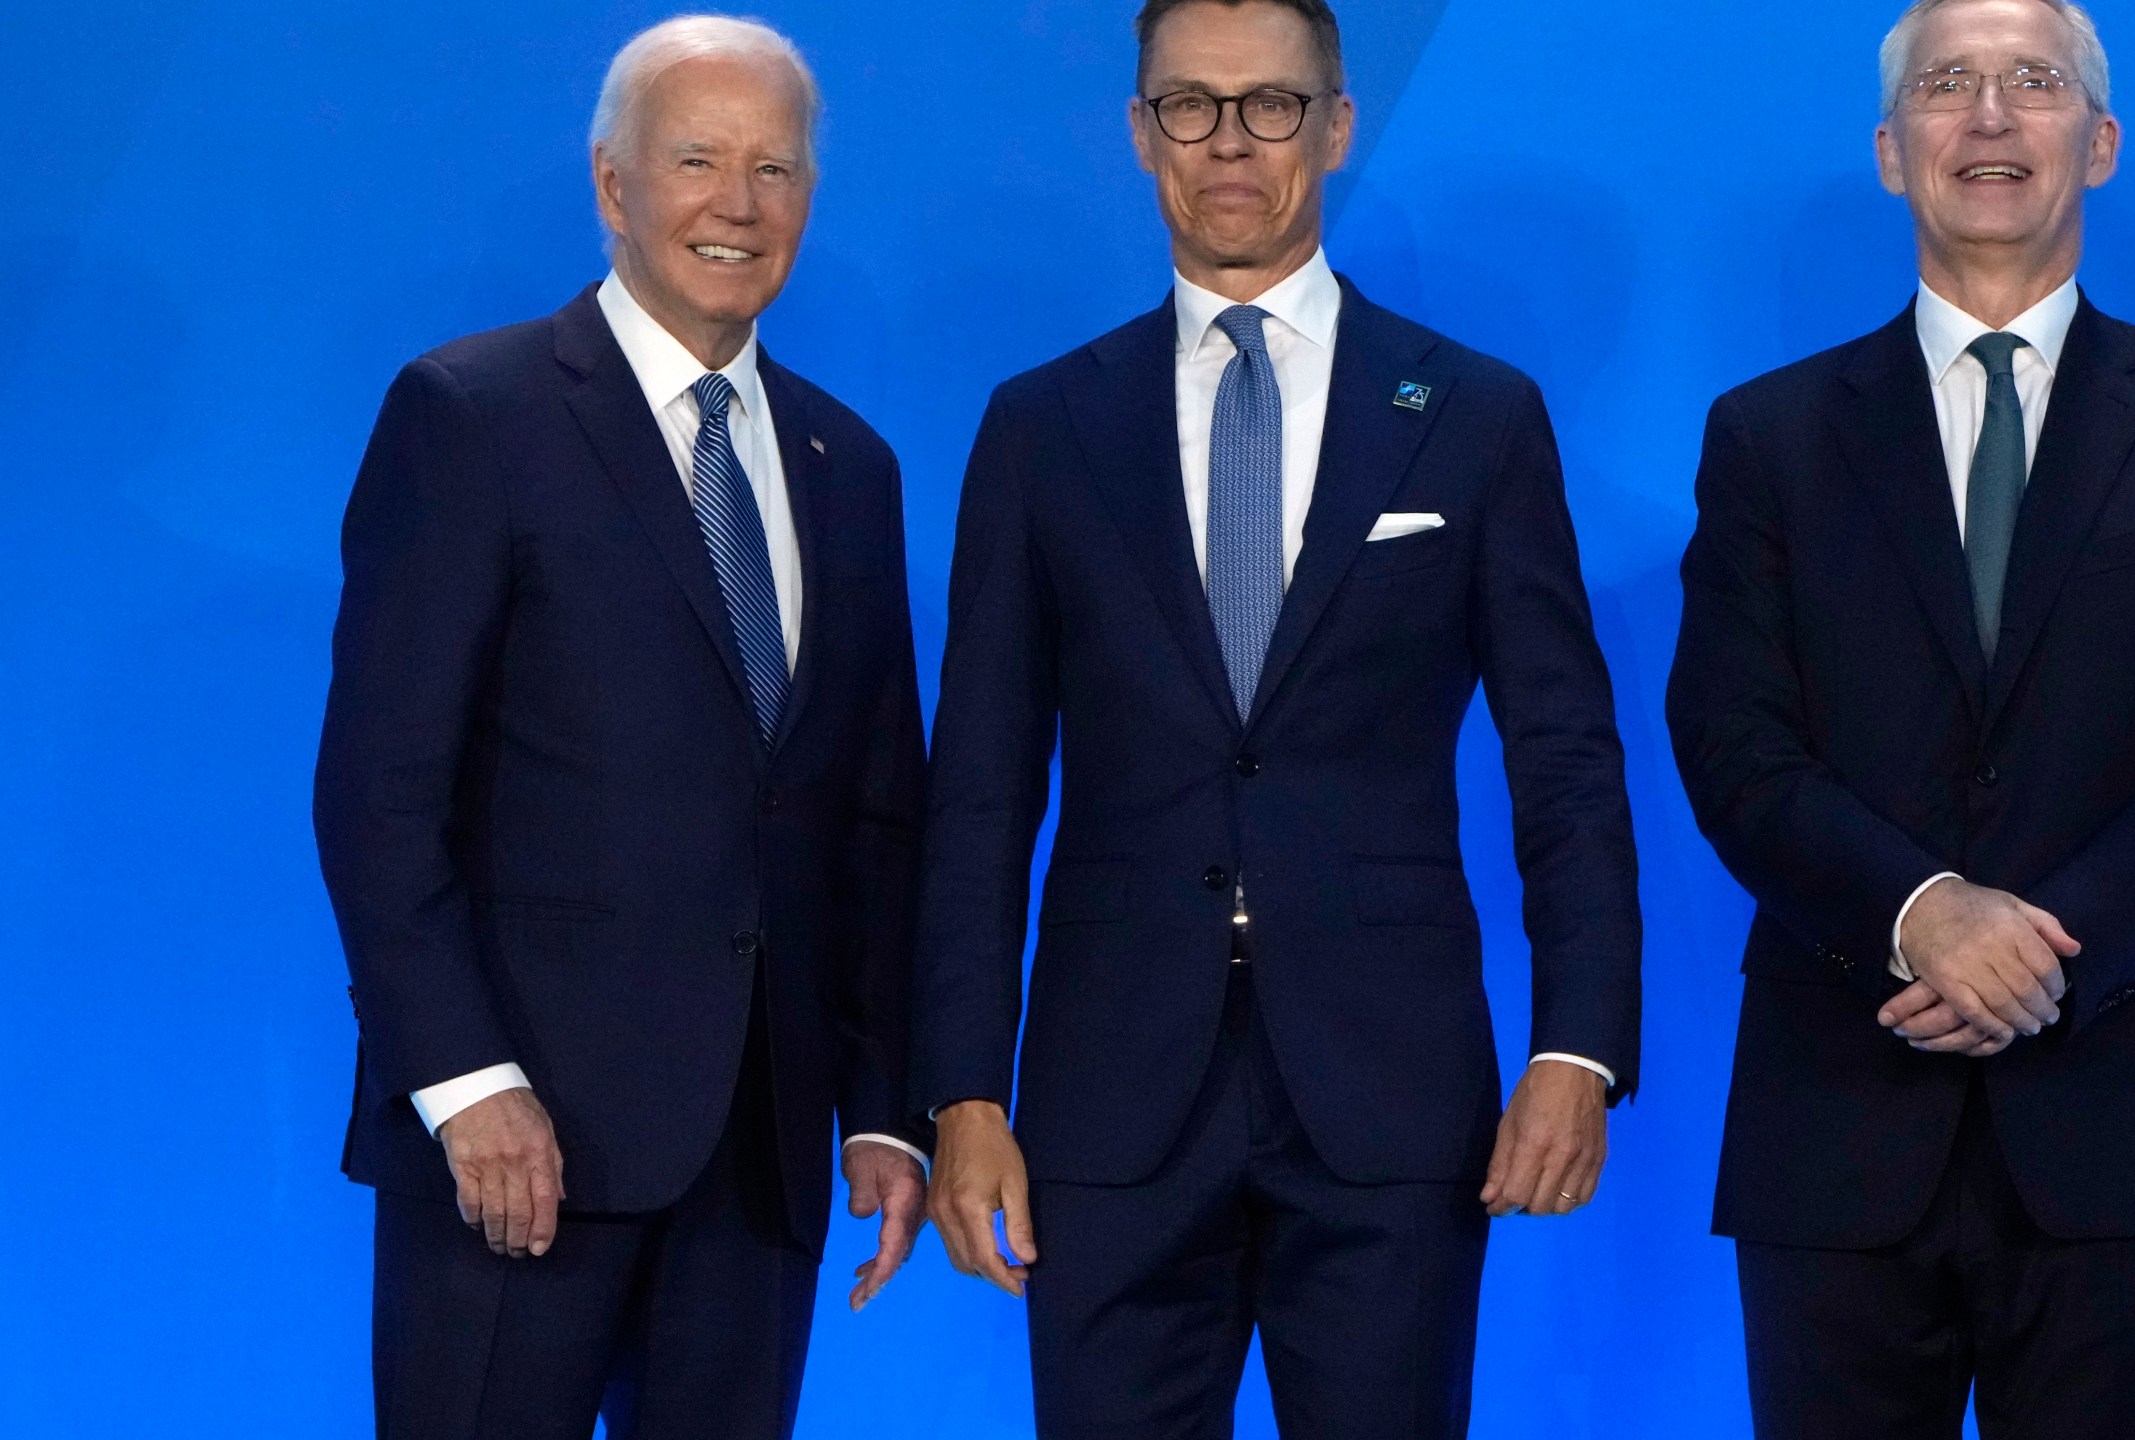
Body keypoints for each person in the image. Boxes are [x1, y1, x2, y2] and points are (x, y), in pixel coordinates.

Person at [909, 1, 1644, 1433]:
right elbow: (984, 786)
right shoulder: (1041, 424)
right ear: (1140, 135)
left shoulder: (1475, 415)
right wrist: (959, 1090)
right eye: (1189, 106)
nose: (1229, 142)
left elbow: (1563, 759)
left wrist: (1579, 1046)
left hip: (1390, 1090)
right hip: (1111, 1097)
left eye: (1270, 105)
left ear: (1337, 126)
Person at [1665, 1, 2135, 1435]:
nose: (1992, 115)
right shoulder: (1768, 436)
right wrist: (1921, 912)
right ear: (1893, 152)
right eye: (1948, 86)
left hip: (2126, 1109)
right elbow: (1733, 740)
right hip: (1839, 1108)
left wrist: (2041, 954)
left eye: (2035, 82)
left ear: (2101, 141)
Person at [313, 17, 929, 1436]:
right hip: (517, 1150)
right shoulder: (473, 416)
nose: (739, 204)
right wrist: (465, 1086)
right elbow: (377, 795)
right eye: (698, 159)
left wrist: (885, 1107)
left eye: (775, 169)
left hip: (757, 1161)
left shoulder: (852, 466)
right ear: (611, 184)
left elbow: (874, 820)